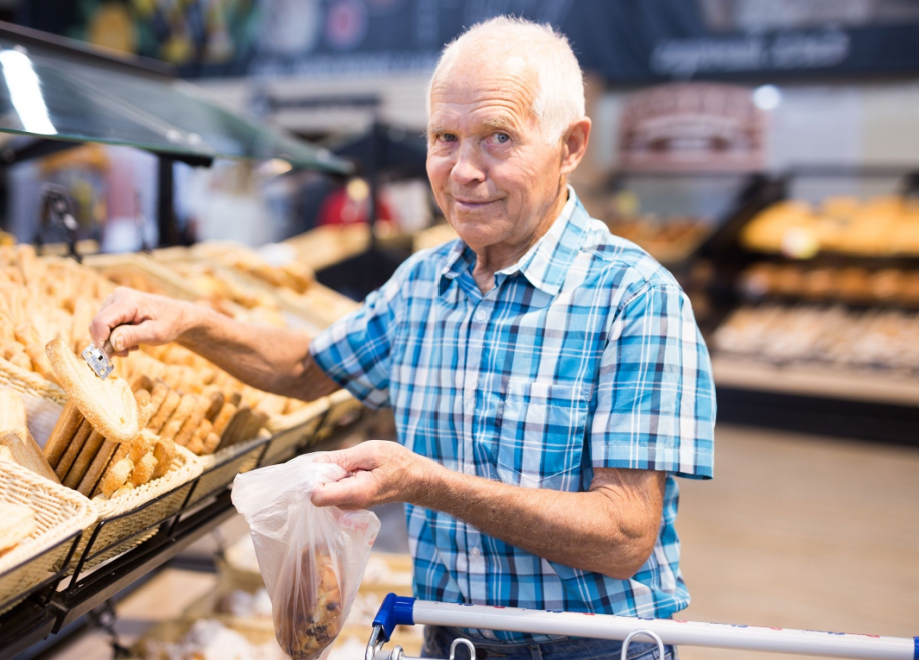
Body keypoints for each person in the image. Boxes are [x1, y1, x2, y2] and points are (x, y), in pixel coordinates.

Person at [90, 16, 715, 660]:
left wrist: (426, 483)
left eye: (499, 137)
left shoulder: (635, 300)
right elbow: (308, 368)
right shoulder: (423, 284)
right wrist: (192, 323)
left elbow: (622, 534)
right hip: (452, 643)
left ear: (571, 145)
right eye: (445, 138)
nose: (464, 171)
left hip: (594, 648)